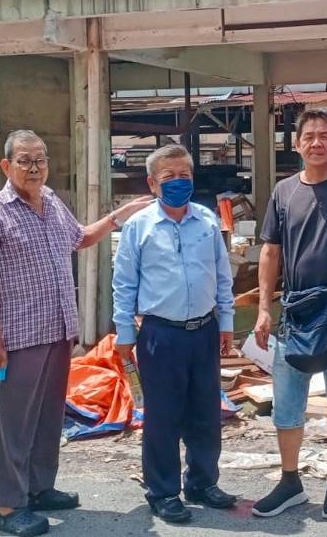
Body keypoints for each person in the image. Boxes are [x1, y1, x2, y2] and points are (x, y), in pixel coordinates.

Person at [0, 129, 151, 537]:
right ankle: (7, 505)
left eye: (40, 160)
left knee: (48, 417)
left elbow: (81, 237)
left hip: (56, 330)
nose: (34, 168)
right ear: (6, 166)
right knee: (12, 422)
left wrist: (120, 216)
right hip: (17, 335)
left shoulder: (50, 202)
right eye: (24, 161)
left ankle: (38, 488)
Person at [112, 144, 237, 525]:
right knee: (162, 417)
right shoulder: (139, 227)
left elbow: (221, 275)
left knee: (205, 413)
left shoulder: (207, 221)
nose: (179, 182)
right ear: (152, 183)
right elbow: (124, 284)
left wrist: (227, 323)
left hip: (203, 330)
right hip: (159, 335)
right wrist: (123, 333)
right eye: (169, 177)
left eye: (185, 175)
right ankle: (164, 491)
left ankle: (202, 482)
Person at [252, 109, 327, 520]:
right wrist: (265, 308)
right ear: (298, 143)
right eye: (309, 136)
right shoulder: (284, 192)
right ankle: (289, 481)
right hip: (295, 315)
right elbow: (270, 251)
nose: (316, 142)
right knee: (287, 403)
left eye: (324, 136)